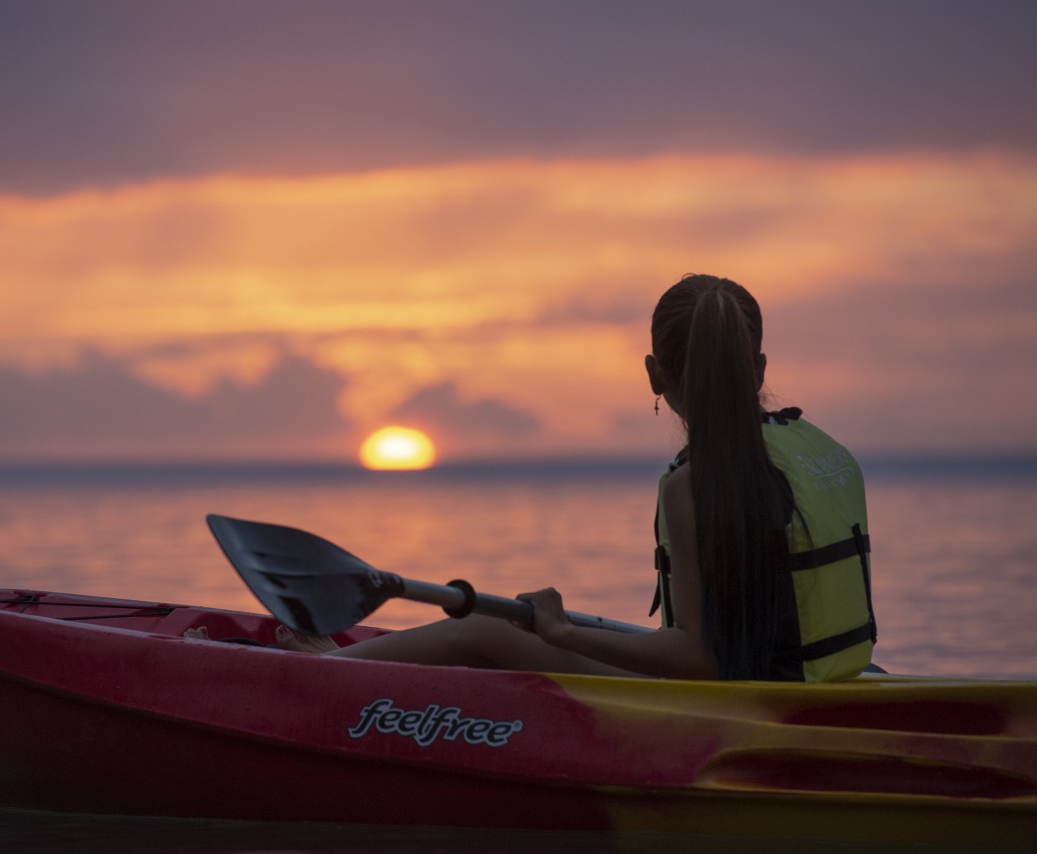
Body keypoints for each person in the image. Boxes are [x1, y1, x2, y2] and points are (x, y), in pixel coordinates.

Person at [205, 274, 877, 681]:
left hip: (737, 700)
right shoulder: (828, 453)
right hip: (820, 678)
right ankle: (338, 662)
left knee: (485, 632)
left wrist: (564, 633)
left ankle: (319, 673)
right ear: (758, 369)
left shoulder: (692, 487)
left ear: (655, 374)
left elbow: (700, 662)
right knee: (523, 629)